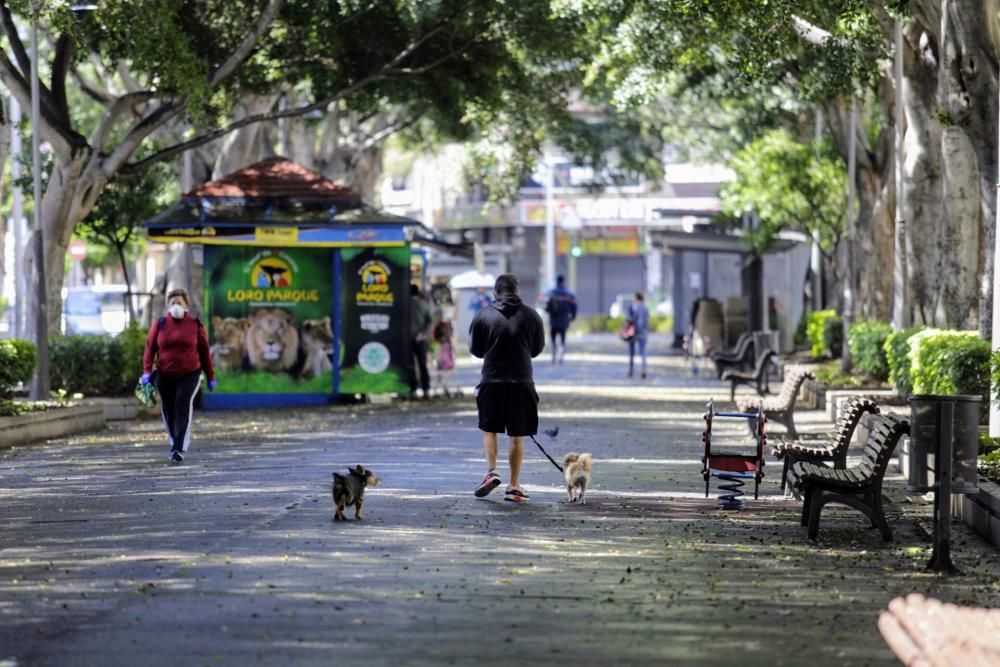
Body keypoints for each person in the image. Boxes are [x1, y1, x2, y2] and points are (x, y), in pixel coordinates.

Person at [469, 273, 545, 502]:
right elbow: (537, 349)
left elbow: (476, 350)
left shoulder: (483, 315)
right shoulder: (532, 316)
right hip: (521, 381)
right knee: (517, 435)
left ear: (495, 293)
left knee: (489, 429)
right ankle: (514, 485)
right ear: (517, 292)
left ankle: (491, 471)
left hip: (491, 380)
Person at [140, 288, 215, 463]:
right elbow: (150, 348)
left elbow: (204, 353)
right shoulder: (160, 324)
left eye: (179, 303)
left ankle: (179, 447)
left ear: (186, 305)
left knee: (182, 403)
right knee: (168, 407)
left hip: (190, 374)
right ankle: (174, 437)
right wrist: (146, 371)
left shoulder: (195, 325)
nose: (175, 306)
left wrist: (210, 376)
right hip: (164, 374)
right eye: (172, 303)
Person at [544, 275, 577, 364]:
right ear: (563, 281)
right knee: (563, 337)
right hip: (564, 320)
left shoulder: (551, 292)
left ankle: (554, 351)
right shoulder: (569, 293)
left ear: (557, 281)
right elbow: (574, 306)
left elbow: (546, 306)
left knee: (553, 337)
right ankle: (561, 353)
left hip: (553, 320)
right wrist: (573, 316)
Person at [409, 284, 433, 399]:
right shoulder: (423, 304)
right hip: (421, 339)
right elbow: (430, 321)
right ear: (417, 292)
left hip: (406, 340)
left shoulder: (404, 304)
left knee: (410, 365)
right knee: (423, 365)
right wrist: (422, 334)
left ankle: (412, 390)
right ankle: (426, 389)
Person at [626, 291, 650, 379]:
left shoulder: (631, 306)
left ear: (636, 297)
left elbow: (628, 319)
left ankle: (631, 371)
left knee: (631, 353)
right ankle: (643, 369)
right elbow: (646, 321)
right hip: (642, 332)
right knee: (643, 352)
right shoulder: (645, 307)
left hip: (632, 332)